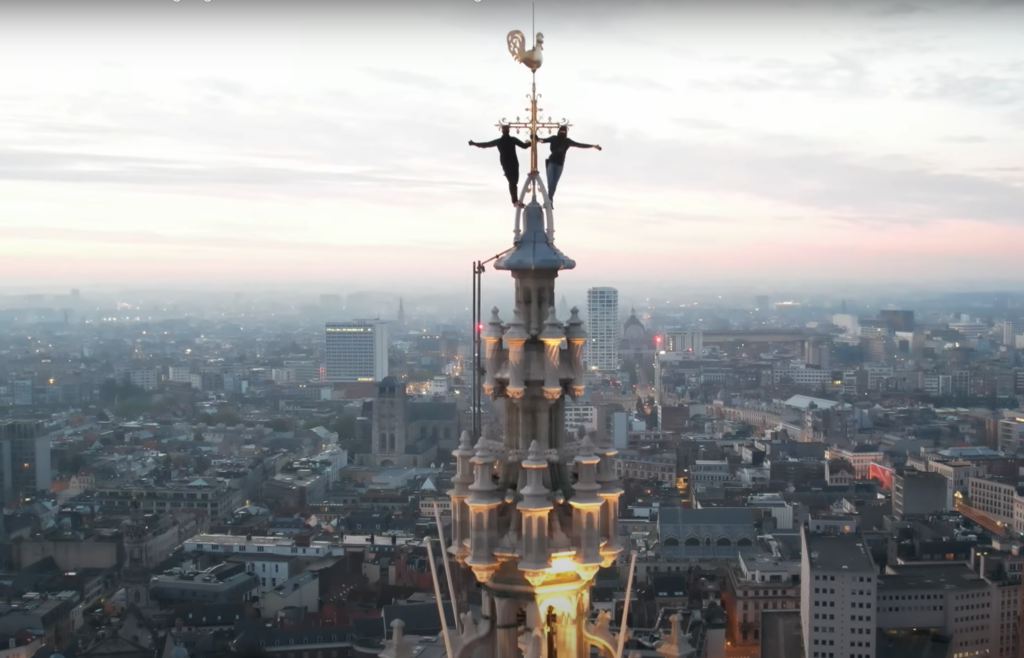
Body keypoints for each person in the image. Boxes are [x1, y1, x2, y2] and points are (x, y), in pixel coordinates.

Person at [538, 126, 601, 206]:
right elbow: (543, 140)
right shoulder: (554, 138)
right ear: (559, 131)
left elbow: (579, 145)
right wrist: (535, 138)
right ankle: (549, 201)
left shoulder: (567, 141)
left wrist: (592, 146)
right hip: (552, 163)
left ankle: (549, 200)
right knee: (551, 184)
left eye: (564, 132)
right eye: (561, 131)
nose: (562, 133)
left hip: (560, 165)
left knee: (554, 185)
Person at [469, 126, 531, 207]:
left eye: (506, 129)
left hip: (514, 163)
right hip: (506, 164)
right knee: (512, 182)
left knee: (514, 182)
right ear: (502, 131)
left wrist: (533, 141)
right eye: (504, 129)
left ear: (508, 130)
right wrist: (474, 143)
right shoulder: (500, 141)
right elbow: (486, 144)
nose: (505, 130)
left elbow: (524, 146)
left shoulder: (512, 140)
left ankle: (515, 201)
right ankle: (515, 201)